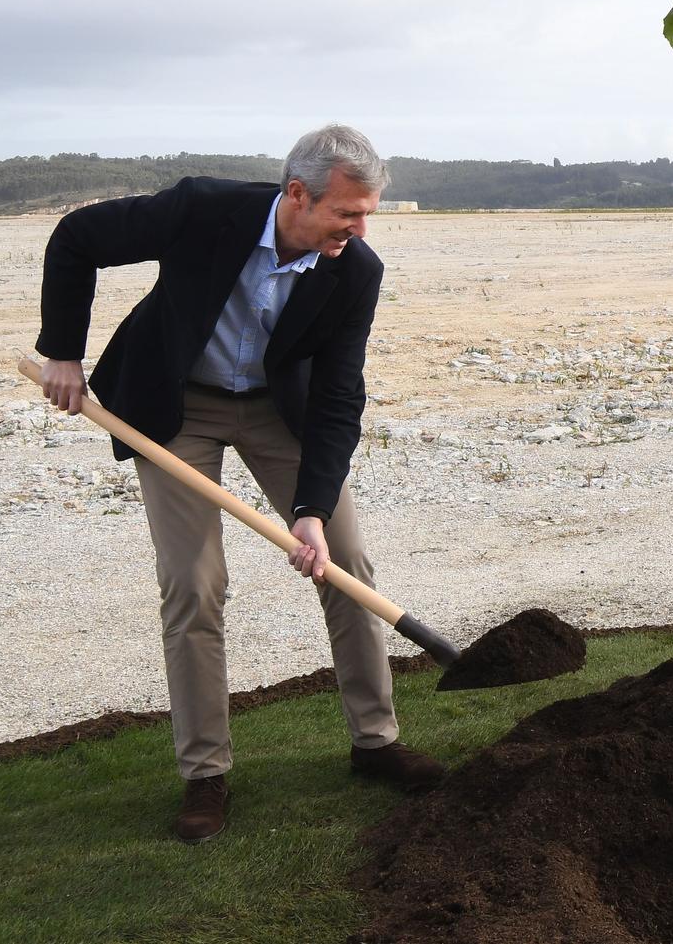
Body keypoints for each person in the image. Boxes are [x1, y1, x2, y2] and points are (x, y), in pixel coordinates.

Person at [35, 124, 444, 843]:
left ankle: (375, 741)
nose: (361, 226)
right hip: (176, 405)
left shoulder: (355, 271)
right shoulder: (203, 209)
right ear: (296, 194)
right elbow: (76, 237)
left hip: (275, 411)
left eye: (369, 211)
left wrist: (312, 510)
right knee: (194, 580)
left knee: (345, 562)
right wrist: (63, 351)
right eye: (349, 211)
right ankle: (205, 774)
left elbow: (338, 396)